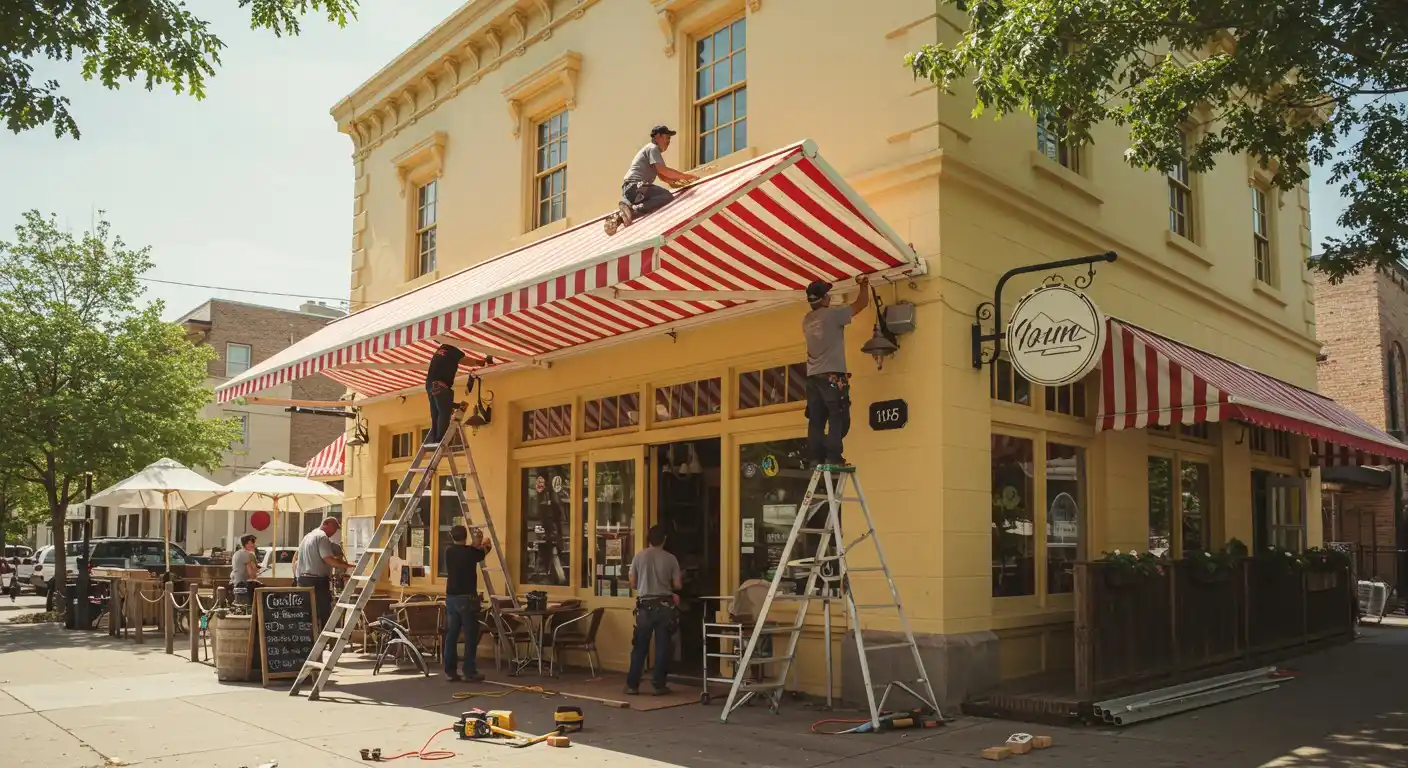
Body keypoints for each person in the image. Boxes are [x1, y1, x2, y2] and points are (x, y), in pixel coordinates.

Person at [802, 276, 870, 467]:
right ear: (824, 298)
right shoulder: (832, 315)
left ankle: (815, 457)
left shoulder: (806, 320)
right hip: (832, 375)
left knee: (816, 419)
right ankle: (834, 456)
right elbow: (861, 303)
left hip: (813, 376)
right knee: (837, 414)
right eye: (828, 295)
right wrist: (863, 285)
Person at [603, 125, 698, 236]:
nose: (669, 141)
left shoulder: (649, 150)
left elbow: (663, 176)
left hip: (631, 189)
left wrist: (675, 182)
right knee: (666, 196)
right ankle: (631, 210)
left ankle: (620, 217)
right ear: (658, 137)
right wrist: (687, 177)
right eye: (667, 137)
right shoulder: (653, 148)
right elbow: (663, 170)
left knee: (654, 198)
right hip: (636, 186)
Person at [625, 525, 682, 696]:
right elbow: (678, 584)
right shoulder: (671, 559)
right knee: (662, 647)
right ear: (664, 539)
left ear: (648, 539)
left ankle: (632, 685)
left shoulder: (638, 557)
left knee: (640, 647)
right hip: (664, 606)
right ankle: (658, 685)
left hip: (644, 607)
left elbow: (633, 584)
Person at [442, 524, 491, 683]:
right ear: (465, 536)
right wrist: (482, 542)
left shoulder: (449, 552)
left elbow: (471, 551)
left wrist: (476, 543)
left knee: (452, 635)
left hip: (451, 597)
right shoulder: (470, 553)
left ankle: (450, 671)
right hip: (466, 598)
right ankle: (469, 671)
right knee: (470, 635)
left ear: (452, 537)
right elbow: (482, 552)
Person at [294, 518, 351, 631]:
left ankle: (308, 638)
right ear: (326, 524)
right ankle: (325, 639)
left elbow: (295, 559)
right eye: (334, 528)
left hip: (302, 579)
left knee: (306, 611)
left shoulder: (307, 537)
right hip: (317, 581)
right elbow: (328, 559)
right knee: (323, 611)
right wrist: (346, 565)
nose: (334, 532)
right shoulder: (322, 537)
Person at [425, 343, 468, 444]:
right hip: (441, 385)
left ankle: (434, 438)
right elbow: (466, 361)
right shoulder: (452, 351)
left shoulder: (438, 353)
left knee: (436, 413)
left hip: (430, 385)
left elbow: (444, 403)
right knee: (444, 413)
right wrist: (481, 362)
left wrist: (456, 405)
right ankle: (441, 439)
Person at [230, 534, 261, 605]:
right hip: (243, 584)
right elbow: (252, 574)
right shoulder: (246, 554)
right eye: (252, 542)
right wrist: (257, 574)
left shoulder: (237, 553)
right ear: (247, 544)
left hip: (235, 582)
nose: (254, 544)